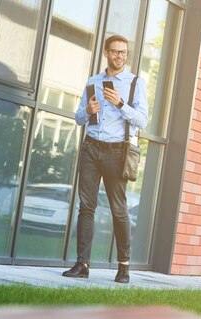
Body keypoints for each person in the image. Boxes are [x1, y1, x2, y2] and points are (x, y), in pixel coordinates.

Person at [63, 34, 148, 283]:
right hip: (91, 146)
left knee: (119, 209)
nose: (119, 56)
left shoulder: (135, 83)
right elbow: (78, 118)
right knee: (86, 207)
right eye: (115, 51)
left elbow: (142, 120)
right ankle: (82, 264)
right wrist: (87, 111)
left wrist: (121, 103)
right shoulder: (93, 81)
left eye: (123, 52)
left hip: (116, 151)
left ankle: (123, 267)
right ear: (105, 52)